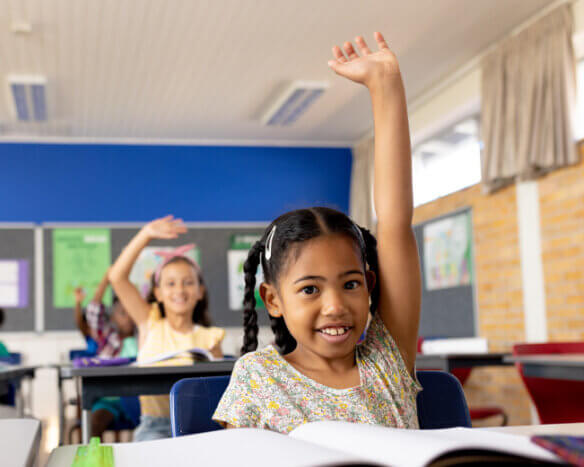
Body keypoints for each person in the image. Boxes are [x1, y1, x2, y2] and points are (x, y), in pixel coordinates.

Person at [213, 32, 422, 434]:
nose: (335, 306)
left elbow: (395, 222)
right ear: (272, 299)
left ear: (370, 284)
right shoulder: (258, 377)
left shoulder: (386, 355)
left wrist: (386, 86)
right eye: (310, 289)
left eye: (350, 283)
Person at [109, 217, 224, 441]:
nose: (179, 290)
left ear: (200, 291)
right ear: (158, 293)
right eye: (170, 283)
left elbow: (217, 395)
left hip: (200, 427)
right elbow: (117, 277)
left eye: (188, 282)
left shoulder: (211, 338)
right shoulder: (148, 322)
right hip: (155, 428)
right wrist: (146, 234)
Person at [75, 271, 138, 438]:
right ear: (113, 318)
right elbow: (94, 310)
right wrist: (106, 279)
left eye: (132, 311)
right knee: (94, 424)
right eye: (122, 313)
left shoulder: (147, 338)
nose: (129, 317)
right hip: (110, 401)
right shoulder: (108, 339)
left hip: (142, 401)